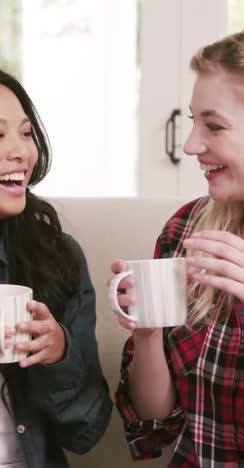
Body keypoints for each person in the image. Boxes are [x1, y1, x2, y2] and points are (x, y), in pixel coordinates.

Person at [110, 24, 244, 467]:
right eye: (194, 121)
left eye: (213, 125)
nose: (192, 144)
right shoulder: (188, 227)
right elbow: (158, 418)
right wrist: (148, 333)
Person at [0, 69, 112, 467]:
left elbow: (87, 432)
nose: (19, 151)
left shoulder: (57, 258)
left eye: (26, 133)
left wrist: (58, 354)